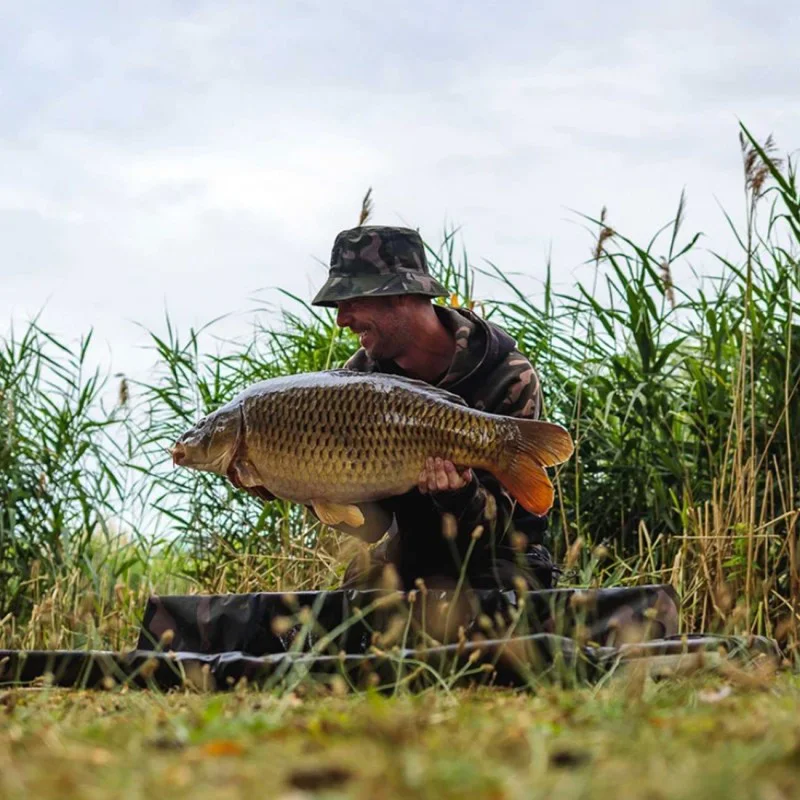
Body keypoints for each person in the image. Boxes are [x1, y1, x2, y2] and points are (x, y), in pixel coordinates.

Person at [309, 225, 557, 592]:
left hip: (500, 555)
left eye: (352, 302)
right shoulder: (357, 380)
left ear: (400, 296)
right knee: (343, 614)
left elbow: (494, 531)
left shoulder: (506, 376)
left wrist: (456, 494)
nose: (341, 320)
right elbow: (371, 527)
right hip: (410, 552)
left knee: (496, 610)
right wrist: (304, 486)